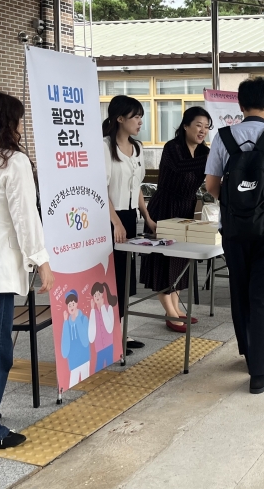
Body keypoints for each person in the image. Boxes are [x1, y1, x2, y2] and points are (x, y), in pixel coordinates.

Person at [205, 78, 264, 394]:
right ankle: (259, 373)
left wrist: (239, 208)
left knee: (240, 289)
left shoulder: (222, 137)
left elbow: (211, 186)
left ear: (240, 106)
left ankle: (247, 352)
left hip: (233, 229)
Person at [0, 91, 54, 450]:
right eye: (19, 119)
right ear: (6, 123)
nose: (22, 127)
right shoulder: (11, 161)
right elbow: (26, 216)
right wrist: (43, 260)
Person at [139, 106, 211, 332]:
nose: (203, 131)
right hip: (166, 207)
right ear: (186, 126)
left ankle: (177, 307)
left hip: (186, 208)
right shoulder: (173, 147)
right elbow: (181, 168)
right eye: (198, 125)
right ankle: (169, 313)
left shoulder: (204, 152)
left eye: (207, 127)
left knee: (180, 259)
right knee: (163, 258)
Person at [103, 95, 155, 355]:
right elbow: (100, 190)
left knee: (125, 278)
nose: (139, 121)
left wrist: (146, 217)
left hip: (130, 217)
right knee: (113, 277)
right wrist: (115, 223)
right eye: (135, 116)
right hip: (110, 220)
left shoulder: (137, 148)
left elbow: (137, 189)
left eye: (140, 116)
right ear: (119, 118)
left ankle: (122, 331)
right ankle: (112, 336)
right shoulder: (104, 147)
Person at [89, 282, 118, 370]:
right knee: (98, 368)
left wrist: (102, 307)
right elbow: (91, 335)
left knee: (110, 367)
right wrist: (92, 310)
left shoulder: (108, 308)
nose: (97, 297)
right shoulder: (93, 312)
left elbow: (109, 328)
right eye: (95, 295)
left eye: (99, 294)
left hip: (109, 345)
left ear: (103, 295)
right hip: (98, 348)